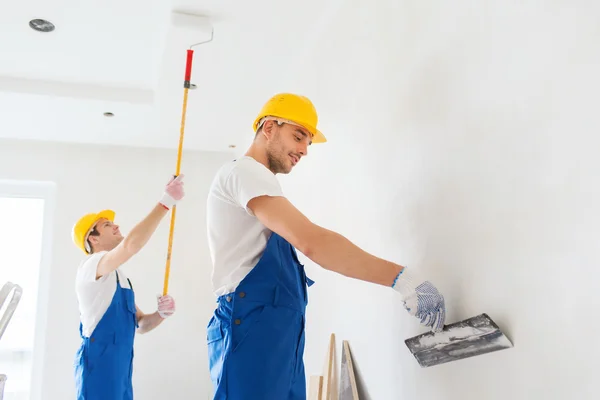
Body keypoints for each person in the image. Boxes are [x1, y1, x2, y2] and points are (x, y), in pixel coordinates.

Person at [205, 93, 447, 399]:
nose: (304, 150)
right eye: (298, 136)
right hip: (252, 322)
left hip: (275, 327)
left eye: (307, 142)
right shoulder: (244, 172)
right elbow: (313, 242)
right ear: (269, 128)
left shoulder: (257, 186)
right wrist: (402, 279)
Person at [71, 175, 185, 400]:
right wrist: (165, 203)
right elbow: (131, 245)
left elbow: (140, 325)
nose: (116, 225)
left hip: (121, 370)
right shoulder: (91, 266)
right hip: (99, 368)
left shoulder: (118, 277)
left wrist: (161, 314)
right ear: (92, 239)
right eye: (106, 225)